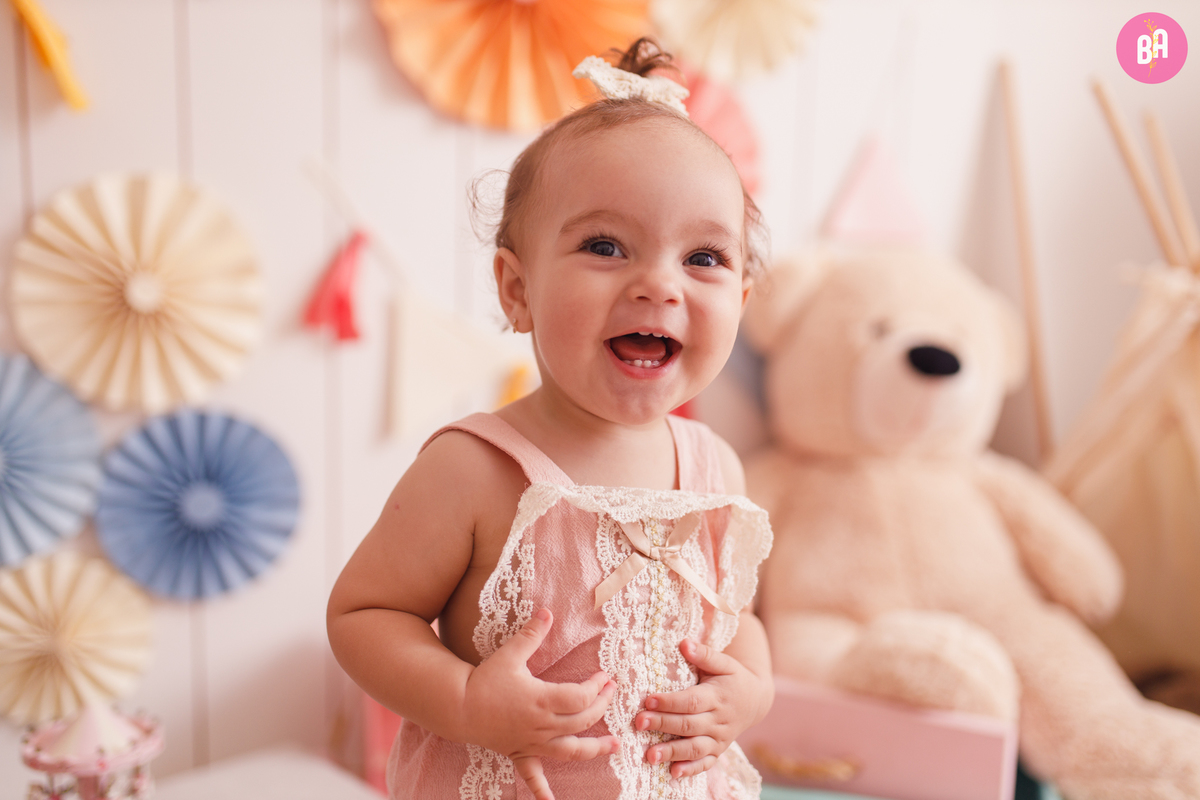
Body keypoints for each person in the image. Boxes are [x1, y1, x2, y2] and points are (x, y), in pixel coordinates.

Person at [327, 39, 774, 800]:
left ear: (742, 298)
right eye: (606, 245)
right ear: (517, 289)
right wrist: (468, 703)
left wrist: (749, 692)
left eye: (704, 258)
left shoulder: (714, 468)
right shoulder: (474, 470)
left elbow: (736, 621)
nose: (659, 285)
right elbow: (365, 615)